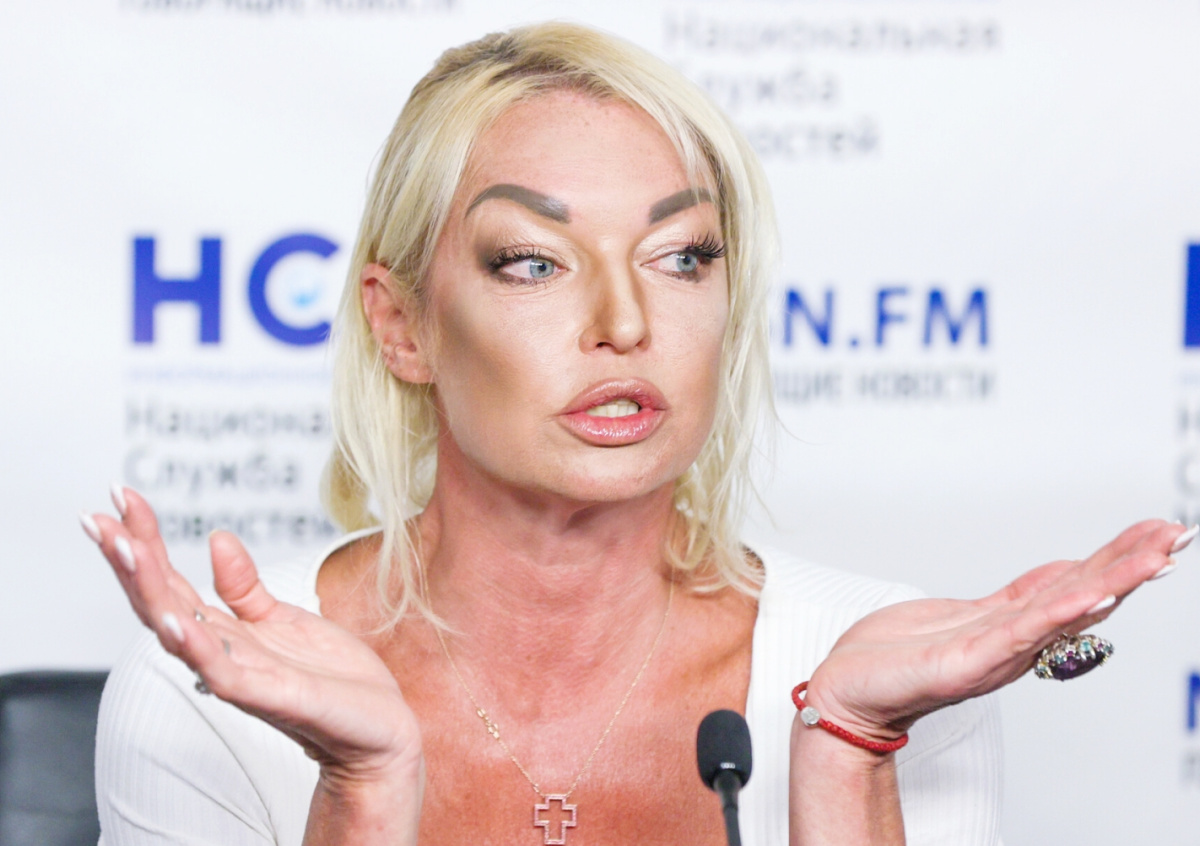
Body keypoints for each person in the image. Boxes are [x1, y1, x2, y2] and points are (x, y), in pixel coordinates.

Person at [80, 22, 1191, 846]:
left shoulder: (892, 676)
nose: (625, 322)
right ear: (401, 324)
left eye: (681, 257)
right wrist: (363, 792)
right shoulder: (210, 696)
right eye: (534, 262)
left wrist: (850, 752)